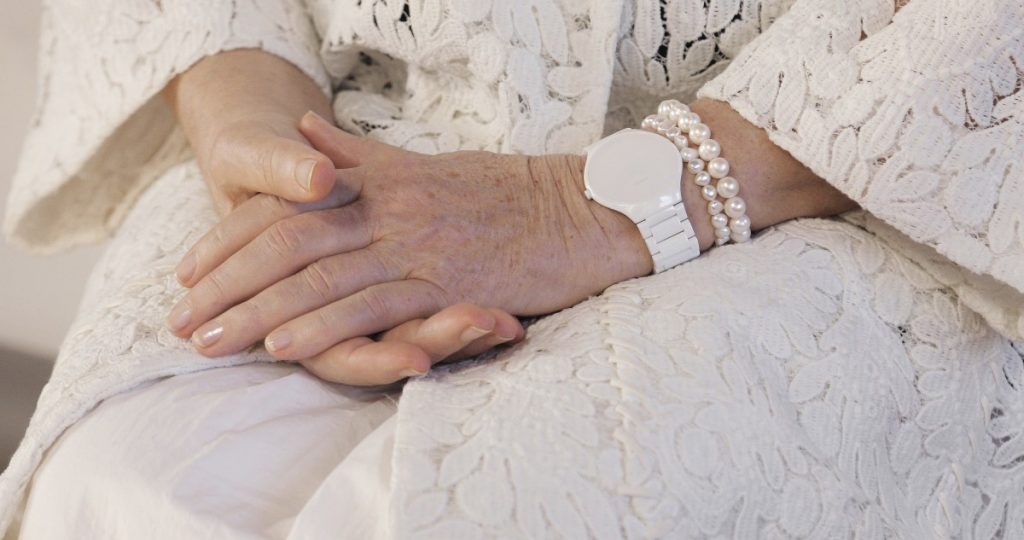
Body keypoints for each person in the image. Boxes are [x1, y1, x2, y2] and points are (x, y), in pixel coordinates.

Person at [2, 0, 1023, 537]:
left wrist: (586, 208)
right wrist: (257, 132)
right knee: (122, 486)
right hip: (365, 116)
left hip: (854, 172)